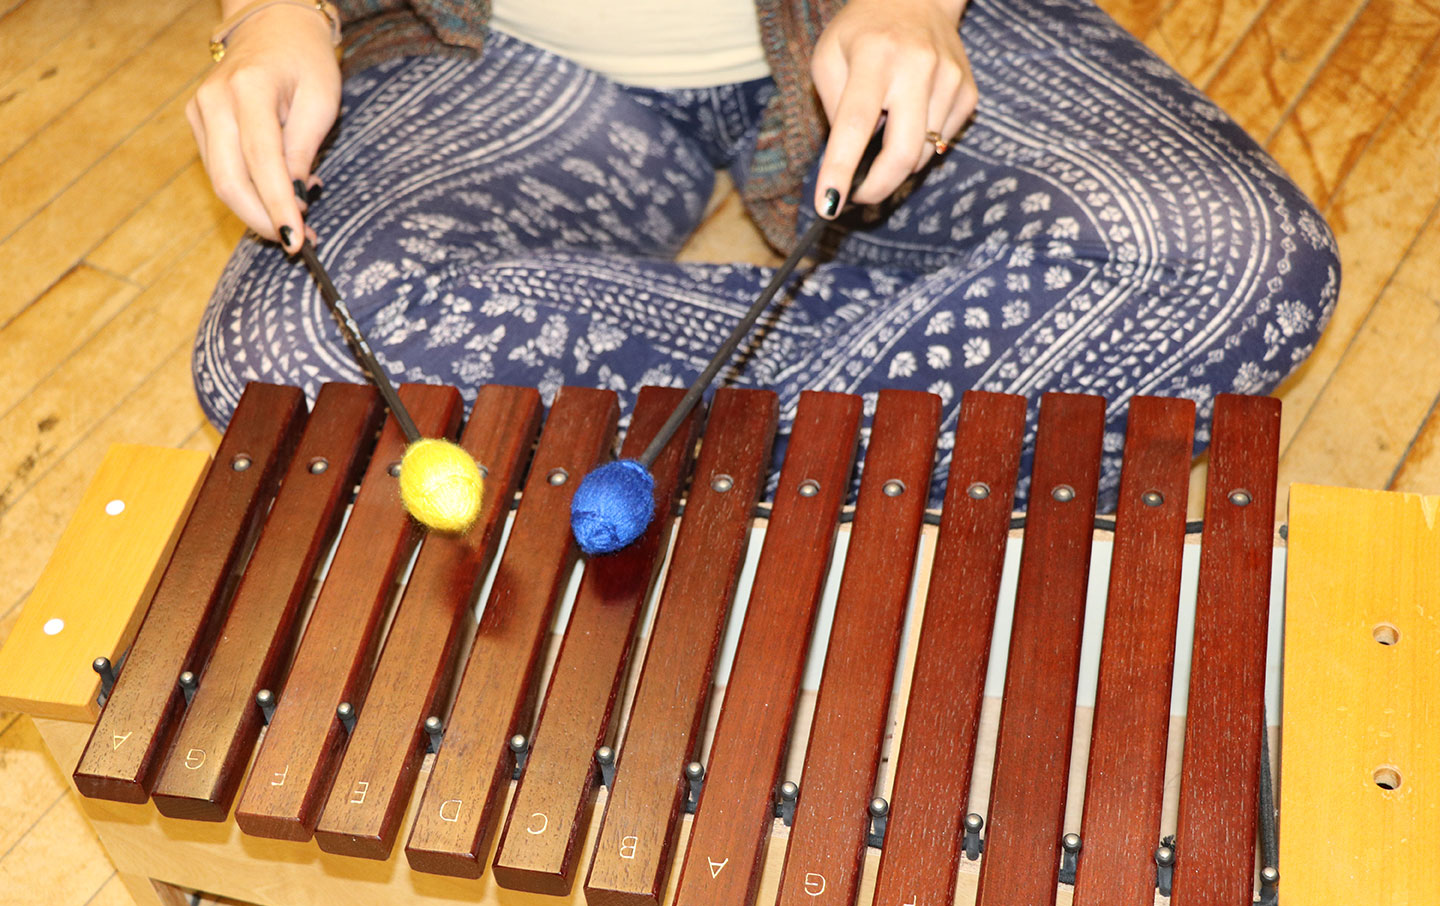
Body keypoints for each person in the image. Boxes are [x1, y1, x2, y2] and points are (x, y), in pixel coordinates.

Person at [189, 0, 1339, 505]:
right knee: (281, 349)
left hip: (873, 23)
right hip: (499, 52)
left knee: (1235, 263)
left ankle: (604, 434)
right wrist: (275, 12)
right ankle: (950, 393)